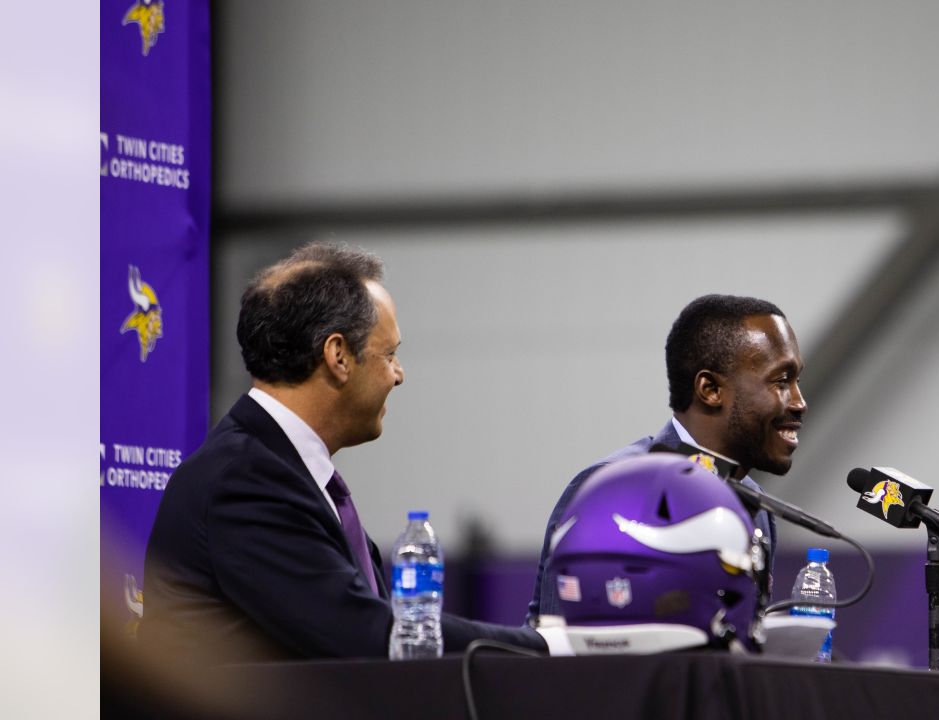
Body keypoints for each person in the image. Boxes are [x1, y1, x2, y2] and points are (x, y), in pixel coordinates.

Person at [140, 241, 545, 666]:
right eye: (389, 354)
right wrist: (543, 647)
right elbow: (361, 634)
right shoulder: (244, 481)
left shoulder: (276, 471)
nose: (399, 375)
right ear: (338, 356)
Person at [528, 294, 807, 622]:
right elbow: (558, 643)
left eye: (796, 380)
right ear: (710, 389)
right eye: (781, 381)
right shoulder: (608, 489)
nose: (800, 402)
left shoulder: (755, 505)